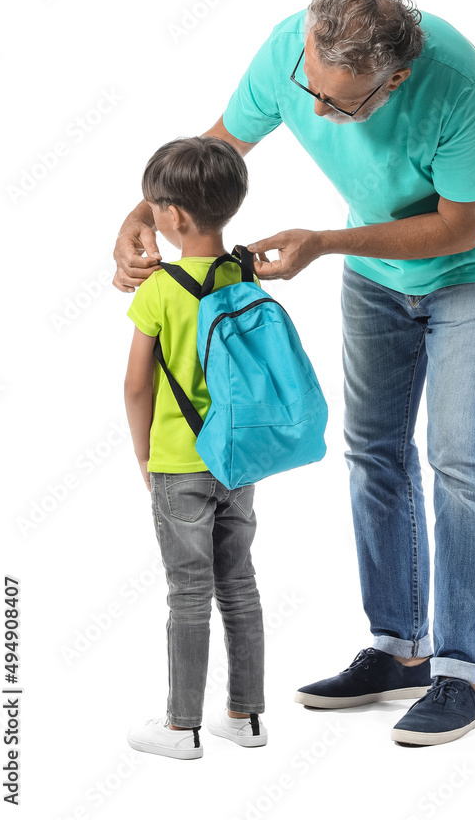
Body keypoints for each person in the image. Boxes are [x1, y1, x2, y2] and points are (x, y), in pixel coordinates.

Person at [114, 0, 475, 747]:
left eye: (341, 107)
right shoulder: (293, 50)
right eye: (311, 88)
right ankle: (399, 648)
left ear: (395, 80)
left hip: (472, 265)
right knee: (373, 448)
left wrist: (327, 243)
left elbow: (460, 227)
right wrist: (141, 215)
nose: (314, 113)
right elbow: (216, 150)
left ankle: (463, 672)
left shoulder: (456, 85)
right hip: (378, 271)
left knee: (461, 458)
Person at [124, 136, 266, 760]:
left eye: (152, 206)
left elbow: (135, 388)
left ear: (174, 216)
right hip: (237, 460)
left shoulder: (158, 290)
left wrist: (145, 461)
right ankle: (247, 718)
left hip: (179, 464)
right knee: (238, 585)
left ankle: (182, 729)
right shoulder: (242, 274)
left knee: (188, 593)